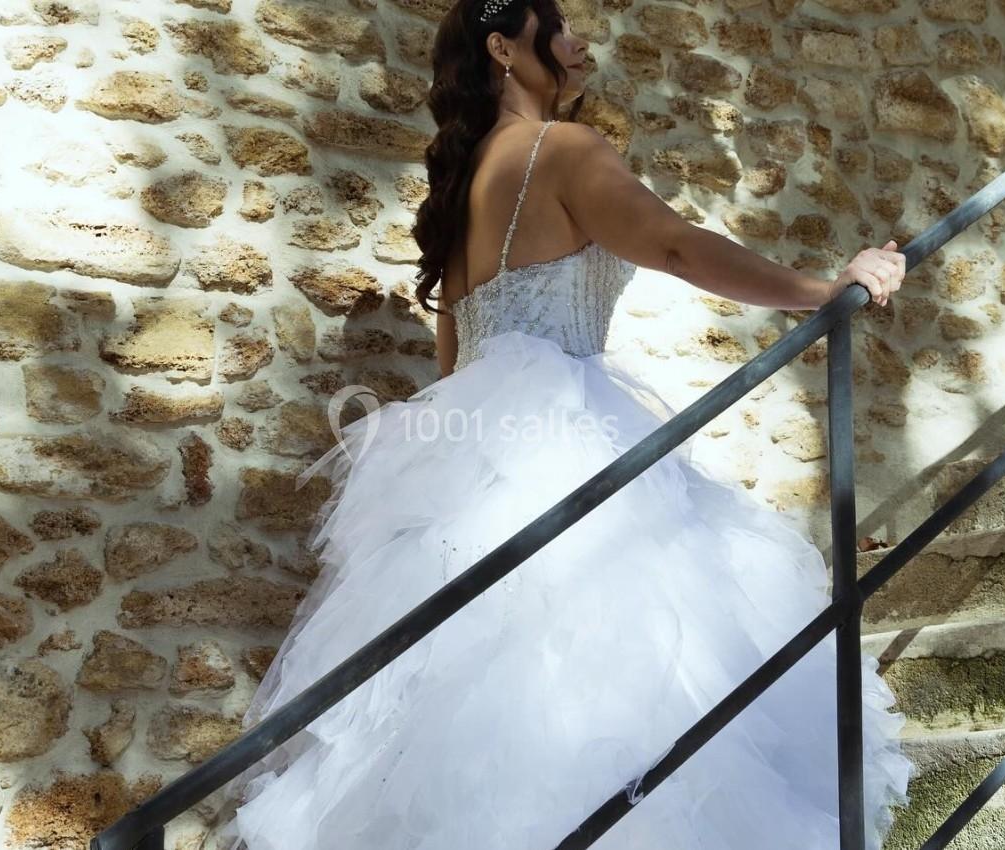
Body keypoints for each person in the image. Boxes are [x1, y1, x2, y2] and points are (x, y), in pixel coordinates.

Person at [218, 0, 912, 847]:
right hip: (567, 438)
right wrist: (824, 289)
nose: (582, 42)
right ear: (505, 49)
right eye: (561, 25)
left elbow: (455, 371)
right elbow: (677, 247)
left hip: (469, 465)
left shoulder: (459, 196)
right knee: (617, 688)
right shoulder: (564, 151)